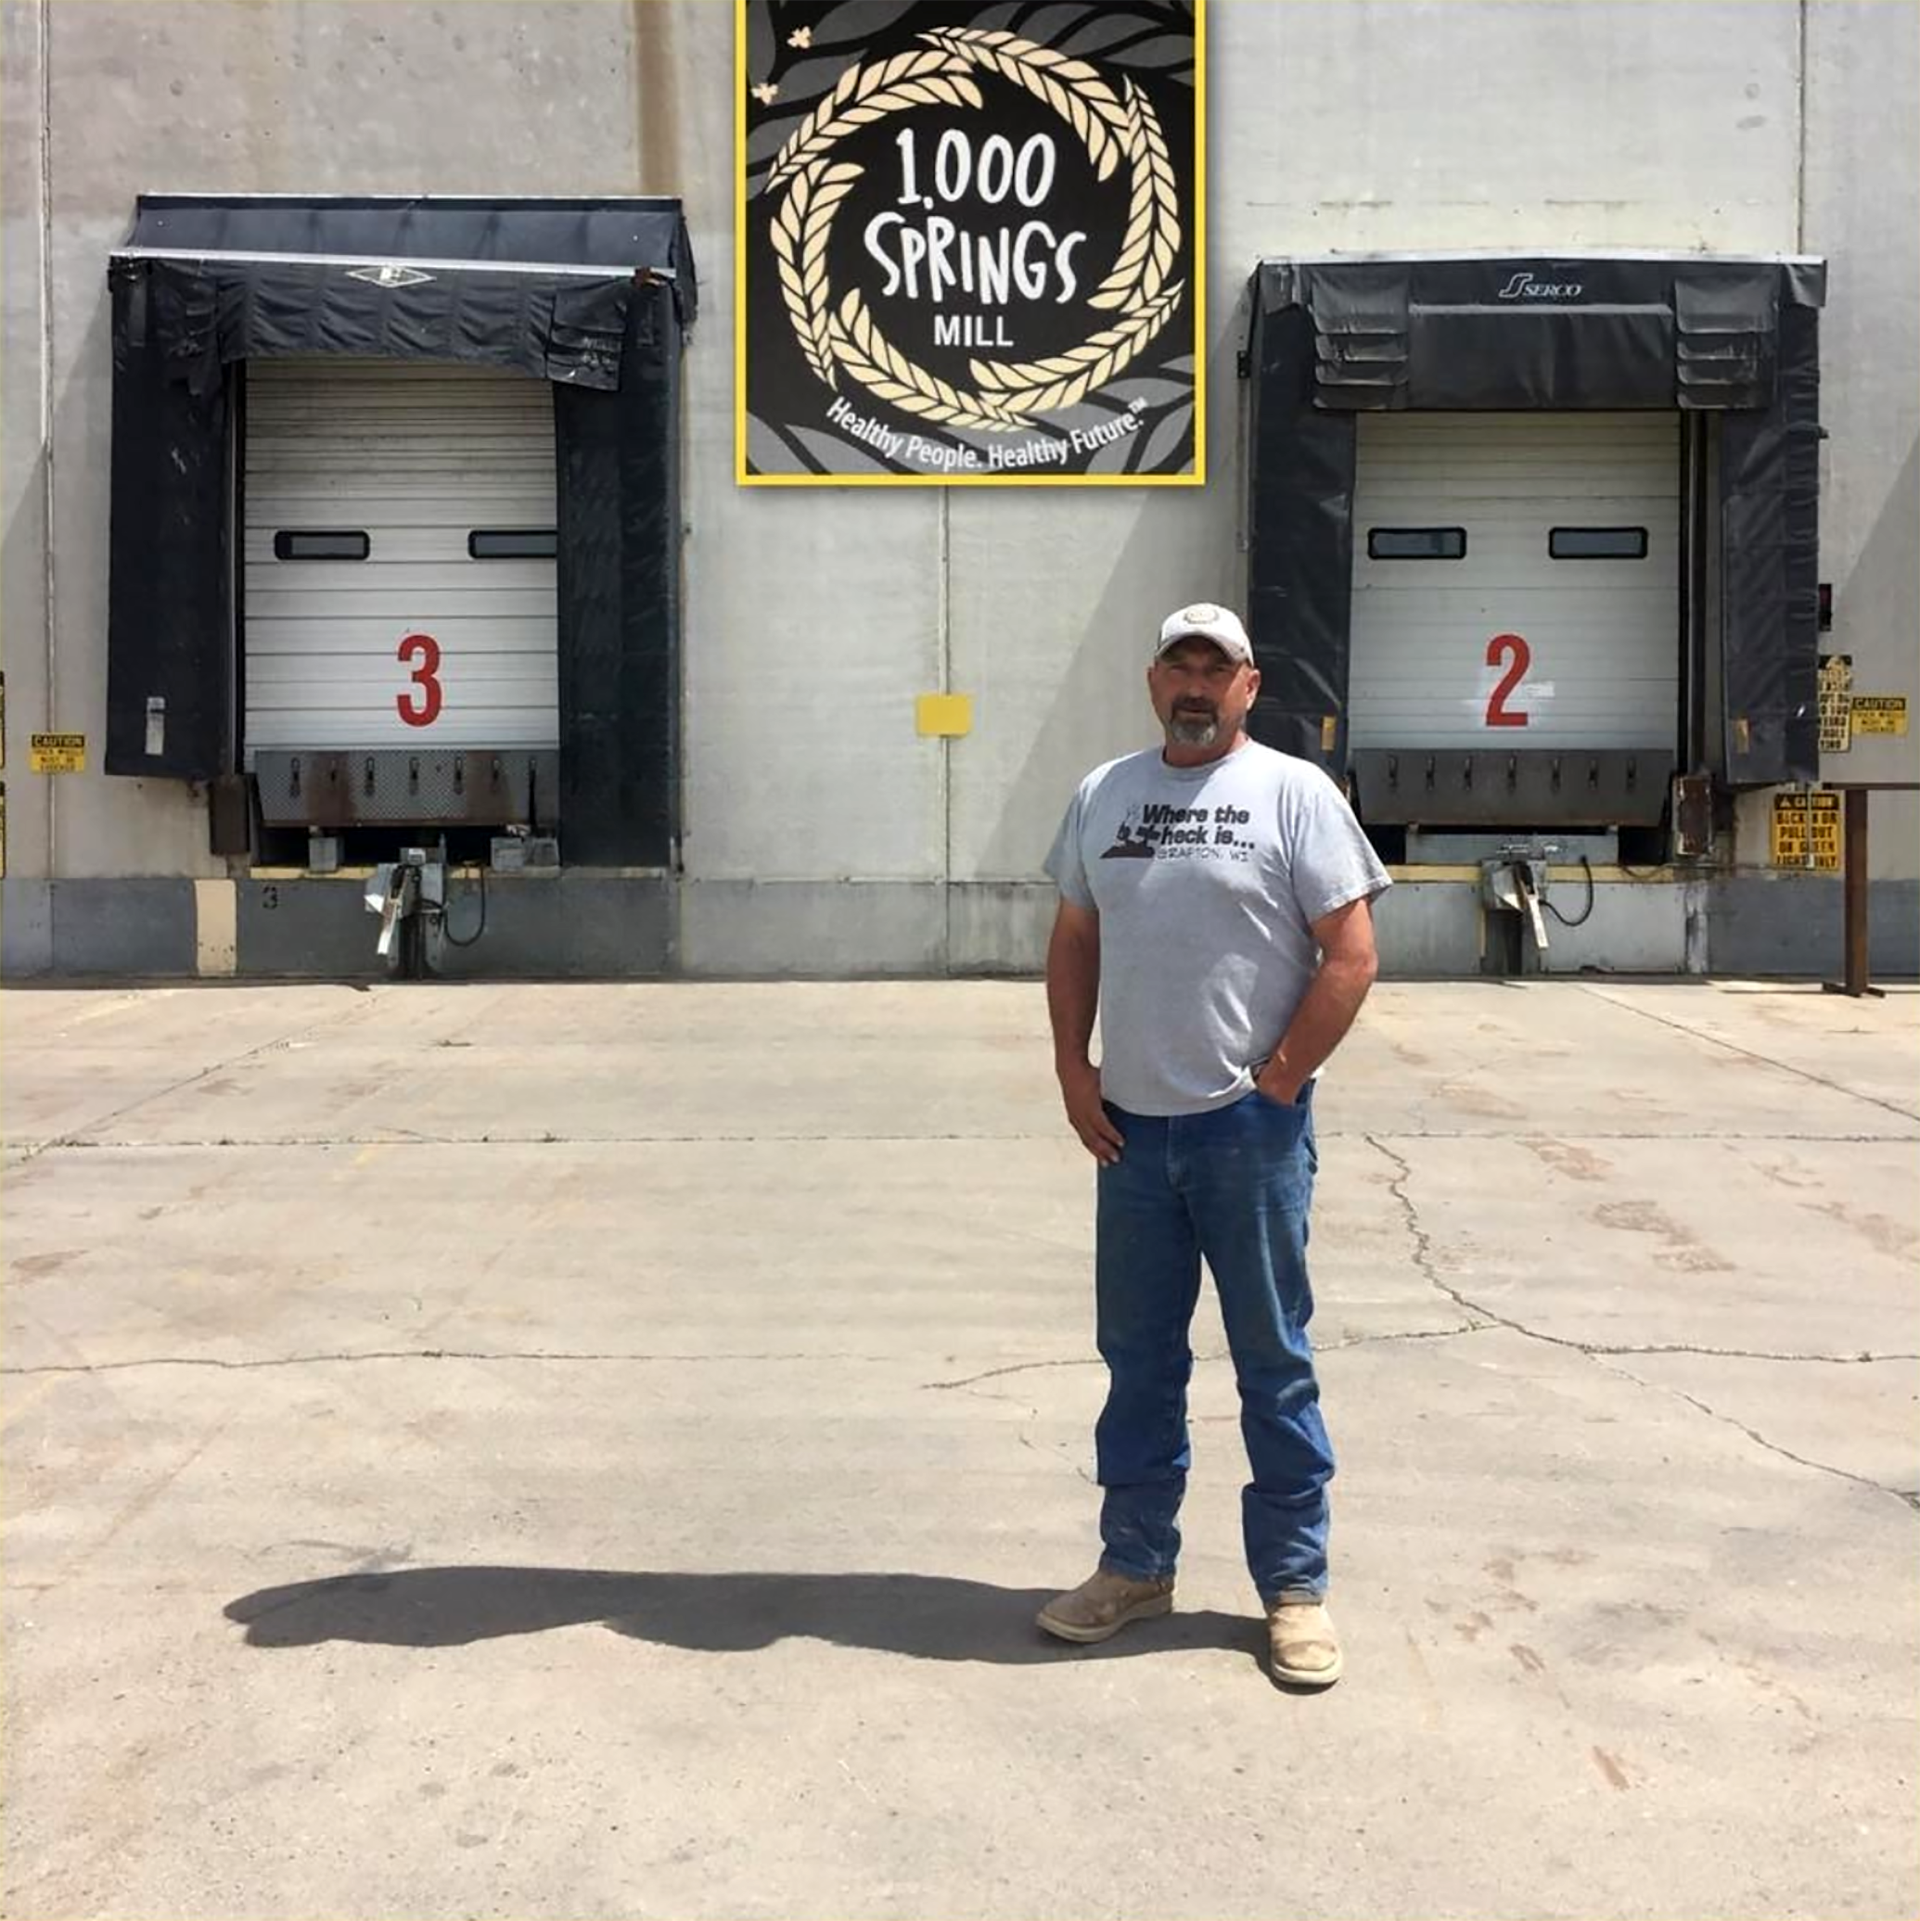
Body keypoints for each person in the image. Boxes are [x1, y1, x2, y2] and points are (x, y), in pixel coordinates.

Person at [1038, 602, 1391, 1689]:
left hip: (1249, 1136)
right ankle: (1136, 1565)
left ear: (1249, 686)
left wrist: (1278, 1083)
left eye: (1217, 668)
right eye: (1178, 666)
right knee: (1138, 1363)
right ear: (1154, 682)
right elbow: (1074, 934)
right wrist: (1073, 1068)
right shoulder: (1106, 792)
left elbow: (1352, 952)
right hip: (1131, 1137)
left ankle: (1294, 1588)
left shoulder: (1295, 794)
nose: (1196, 685)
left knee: (1273, 1365)